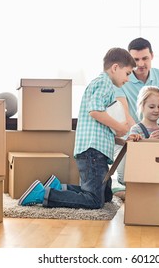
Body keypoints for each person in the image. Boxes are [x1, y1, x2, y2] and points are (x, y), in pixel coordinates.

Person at [18, 47, 141, 209]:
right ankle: (43, 194)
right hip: (93, 152)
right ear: (115, 68)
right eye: (127, 73)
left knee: (105, 195)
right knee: (94, 200)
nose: (127, 79)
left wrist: (122, 139)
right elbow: (95, 111)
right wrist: (120, 126)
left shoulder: (102, 84)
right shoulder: (105, 84)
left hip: (95, 151)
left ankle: (59, 187)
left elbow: (101, 127)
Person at [113, 38, 159, 194]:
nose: (141, 64)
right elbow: (126, 115)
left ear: (152, 56)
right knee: (125, 175)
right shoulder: (121, 80)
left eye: (145, 58)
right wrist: (143, 139)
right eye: (136, 60)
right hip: (133, 137)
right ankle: (122, 186)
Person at [113, 86, 159, 200]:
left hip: (157, 172)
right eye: (151, 107)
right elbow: (135, 158)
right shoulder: (137, 129)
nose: (156, 110)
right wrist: (149, 142)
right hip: (141, 172)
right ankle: (120, 191)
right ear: (142, 106)